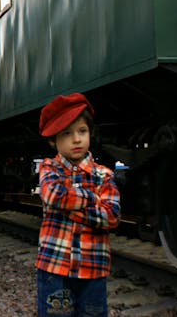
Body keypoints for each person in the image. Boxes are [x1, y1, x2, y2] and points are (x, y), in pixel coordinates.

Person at [35, 93, 121, 316]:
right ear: (53, 139)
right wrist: (93, 198)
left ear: (90, 133)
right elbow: (54, 196)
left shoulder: (104, 175)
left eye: (82, 131)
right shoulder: (49, 168)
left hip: (92, 270)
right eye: (67, 133)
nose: (76, 139)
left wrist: (66, 207)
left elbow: (111, 216)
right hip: (54, 268)